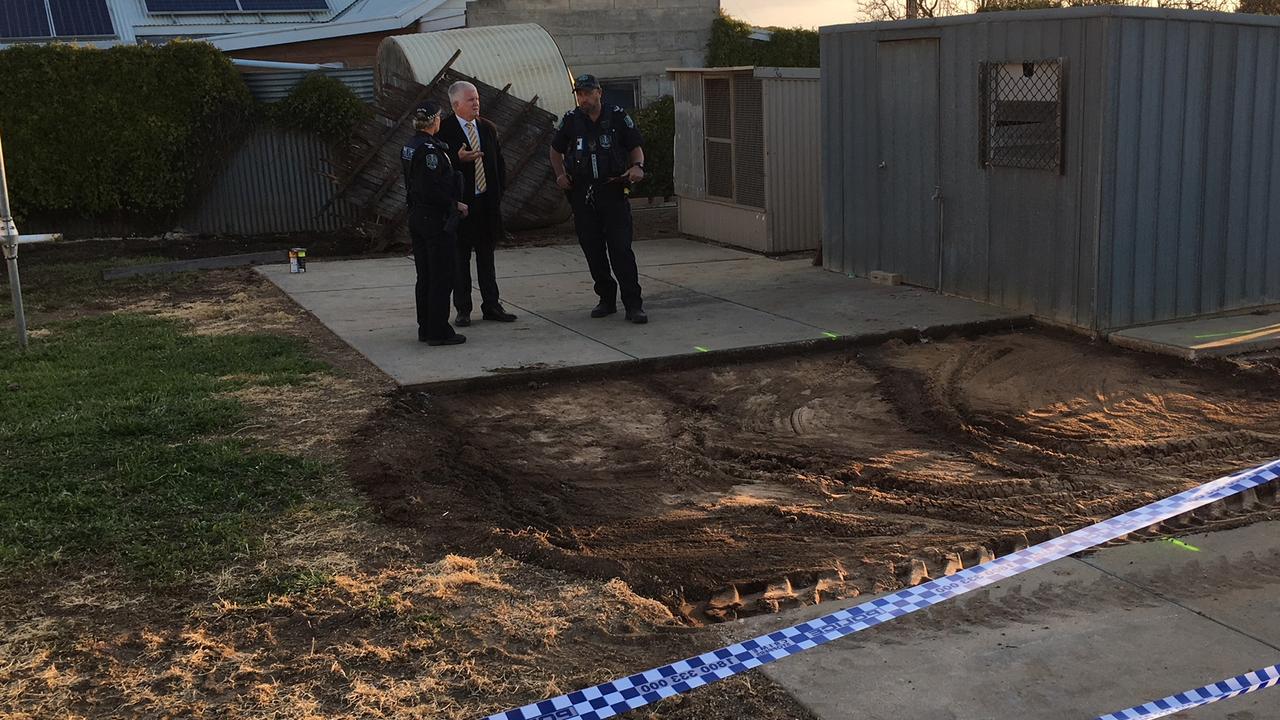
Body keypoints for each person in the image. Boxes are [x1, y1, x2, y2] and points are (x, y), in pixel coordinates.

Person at [549, 73, 648, 324]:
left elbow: (635, 145)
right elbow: (555, 149)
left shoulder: (617, 116)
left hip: (612, 190)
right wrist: (560, 175)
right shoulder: (572, 120)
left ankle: (633, 304)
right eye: (579, 94)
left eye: (586, 93)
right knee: (593, 250)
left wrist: (638, 167)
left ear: (598, 92)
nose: (582, 98)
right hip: (583, 193)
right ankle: (606, 298)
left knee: (620, 249)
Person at [436, 80, 518, 327]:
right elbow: (438, 170)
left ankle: (492, 305)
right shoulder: (445, 132)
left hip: (486, 204)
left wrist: (498, 192)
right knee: (460, 260)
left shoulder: (487, 128)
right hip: (462, 207)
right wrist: (456, 158)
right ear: (456, 104)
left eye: (477, 99)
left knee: (487, 258)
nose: (476, 103)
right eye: (470, 99)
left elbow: (499, 163)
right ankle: (463, 309)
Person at [401, 100, 469, 346]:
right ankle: (438, 331)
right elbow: (430, 187)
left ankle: (426, 327)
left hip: (417, 216)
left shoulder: (410, 145)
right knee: (441, 275)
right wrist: (455, 204)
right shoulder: (429, 150)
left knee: (425, 275)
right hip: (434, 219)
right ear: (435, 120)